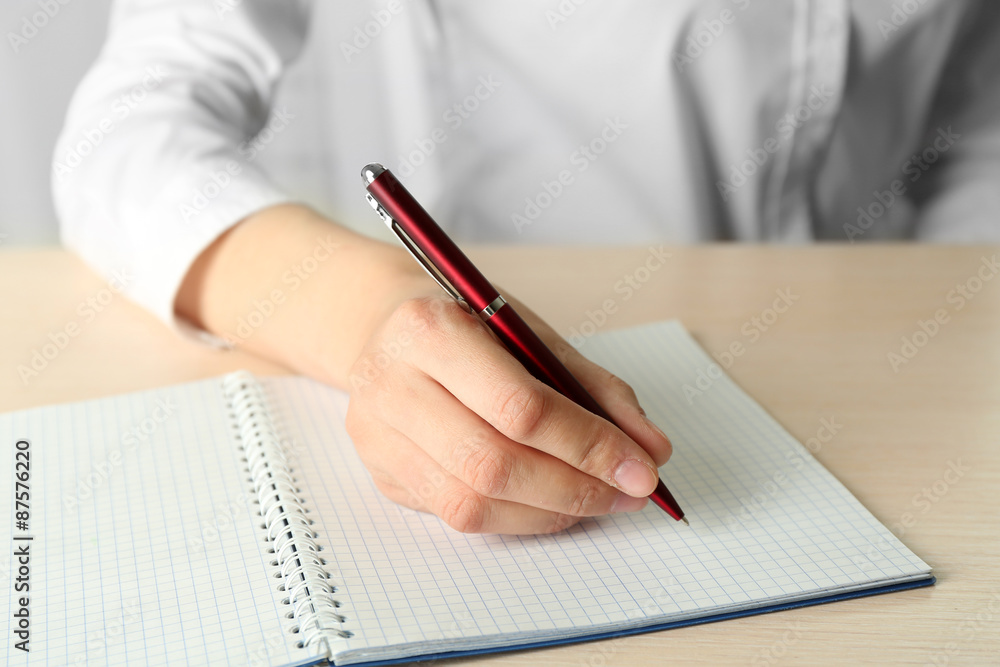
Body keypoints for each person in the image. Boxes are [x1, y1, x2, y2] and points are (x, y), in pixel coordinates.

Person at [52, 0, 1000, 534]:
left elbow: (976, 106)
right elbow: (127, 137)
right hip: (537, 355)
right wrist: (370, 316)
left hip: (901, 399)